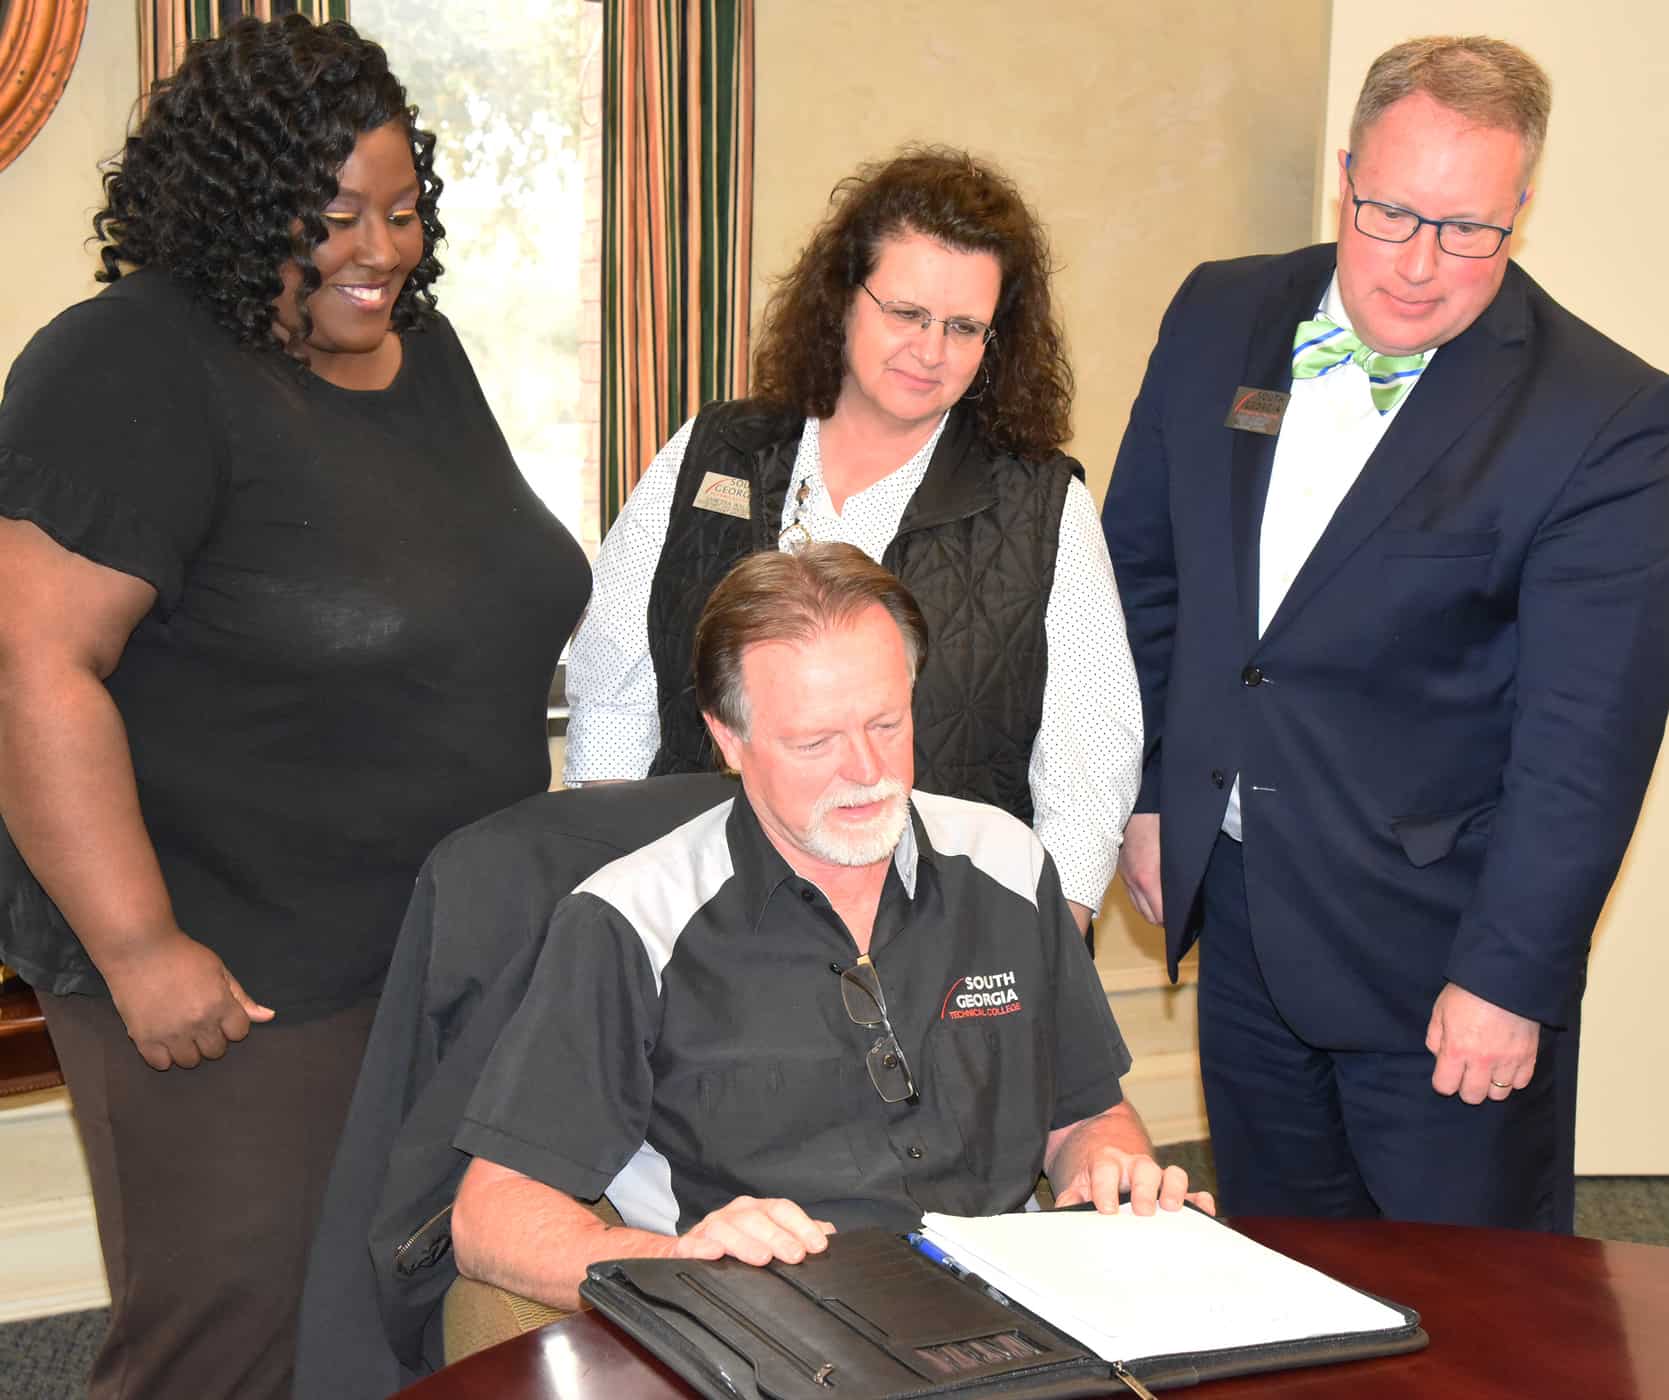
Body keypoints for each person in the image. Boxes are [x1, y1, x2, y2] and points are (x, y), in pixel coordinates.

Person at [0, 17, 589, 1399]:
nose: (378, 252)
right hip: (235, 983)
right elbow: (31, 668)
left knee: (387, 1330)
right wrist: (144, 950)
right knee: (235, 1344)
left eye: (401, 211)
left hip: (430, 958)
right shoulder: (129, 365)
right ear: (232, 205)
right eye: (330, 220)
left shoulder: (421, 352)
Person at [1101, 35, 1669, 1231]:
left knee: (1473, 1323)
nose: (1420, 266)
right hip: (1245, 908)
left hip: (1439, 955)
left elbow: (1585, 740)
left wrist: (1507, 978)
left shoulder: (1605, 417)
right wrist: (1154, 789)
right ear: (1344, 173)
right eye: (1391, 214)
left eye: (1470, 229)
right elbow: (1147, 577)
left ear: (1522, 209)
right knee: (1279, 1275)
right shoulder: (1220, 312)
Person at [451, 545, 1208, 1308]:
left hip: (1015, 1308)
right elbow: (491, 1219)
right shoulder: (632, 920)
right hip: (774, 1327)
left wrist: (1108, 1168)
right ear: (728, 738)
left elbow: (1087, 1114)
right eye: (814, 743)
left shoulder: (1006, 864)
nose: (865, 769)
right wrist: (679, 1258)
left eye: (886, 722)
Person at [563, 147, 1141, 936]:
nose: (931, 351)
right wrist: (621, 900)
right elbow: (615, 686)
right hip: (696, 922)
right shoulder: (714, 452)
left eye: (964, 327)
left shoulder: (1044, 508)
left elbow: (1088, 766)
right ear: (842, 297)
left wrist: (1038, 960)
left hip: (932, 941)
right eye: (905, 313)